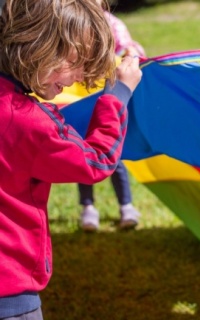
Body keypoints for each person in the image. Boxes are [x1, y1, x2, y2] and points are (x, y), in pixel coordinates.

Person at [0, 0, 142, 319]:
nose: (78, 76)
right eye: (76, 61)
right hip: (10, 298)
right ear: (40, 45)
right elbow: (96, 161)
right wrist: (118, 95)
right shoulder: (28, 122)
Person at [78, 3, 146, 232]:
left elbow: (130, 48)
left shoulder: (112, 24)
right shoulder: (73, 22)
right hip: (81, 98)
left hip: (106, 95)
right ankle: (88, 208)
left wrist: (132, 54)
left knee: (113, 157)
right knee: (83, 153)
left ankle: (126, 205)